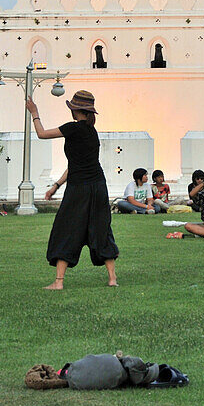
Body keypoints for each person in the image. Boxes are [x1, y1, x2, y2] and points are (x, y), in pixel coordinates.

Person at [26, 89, 118, 290]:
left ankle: (58, 282)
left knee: (66, 229)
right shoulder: (92, 132)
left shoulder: (73, 128)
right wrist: (56, 185)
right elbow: (76, 164)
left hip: (79, 189)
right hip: (98, 187)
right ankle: (112, 278)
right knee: (101, 229)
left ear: (75, 110)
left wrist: (34, 113)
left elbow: (41, 134)